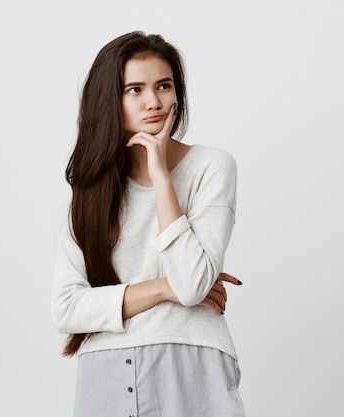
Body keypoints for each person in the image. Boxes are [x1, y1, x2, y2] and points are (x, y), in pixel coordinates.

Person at [51, 31, 246, 417]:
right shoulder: (90, 194)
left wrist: (161, 178)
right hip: (106, 366)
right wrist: (162, 288)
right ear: (112, 101)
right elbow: (67, 309)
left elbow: (192, 285)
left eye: (163, 86)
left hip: (193, 361)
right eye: (135, 90)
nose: (153, 102)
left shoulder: (211, 167)